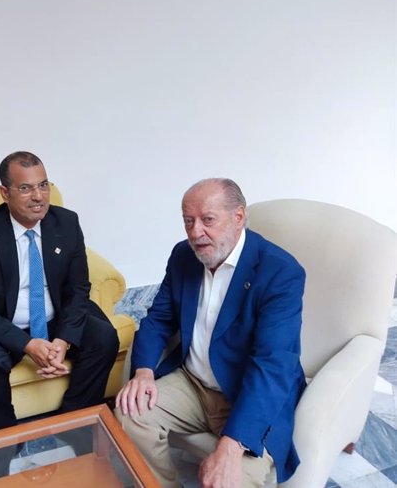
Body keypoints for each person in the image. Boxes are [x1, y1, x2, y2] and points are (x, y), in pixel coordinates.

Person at [0, 151, 119, 480]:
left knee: (103, 337)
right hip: (2, 323)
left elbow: (79, 289)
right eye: (26, 188)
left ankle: (73, 418)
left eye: (43, 185)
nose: (38, 196)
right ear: (5, 193)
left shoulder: (66, 223)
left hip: (54, 317)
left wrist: (62, 339)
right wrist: (27, 344)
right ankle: (7, 435)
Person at [115, 178, 306, 488]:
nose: (195, 232)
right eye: (188, 221)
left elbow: (272, 364)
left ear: (239, 217)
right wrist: (144, 372)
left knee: (235, 480)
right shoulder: (183, 255)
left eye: (207, 219)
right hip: (192, 383)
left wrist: (232, 446)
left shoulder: (280, 272)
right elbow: (159, 319)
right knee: (129, 414)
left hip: (245, 392)